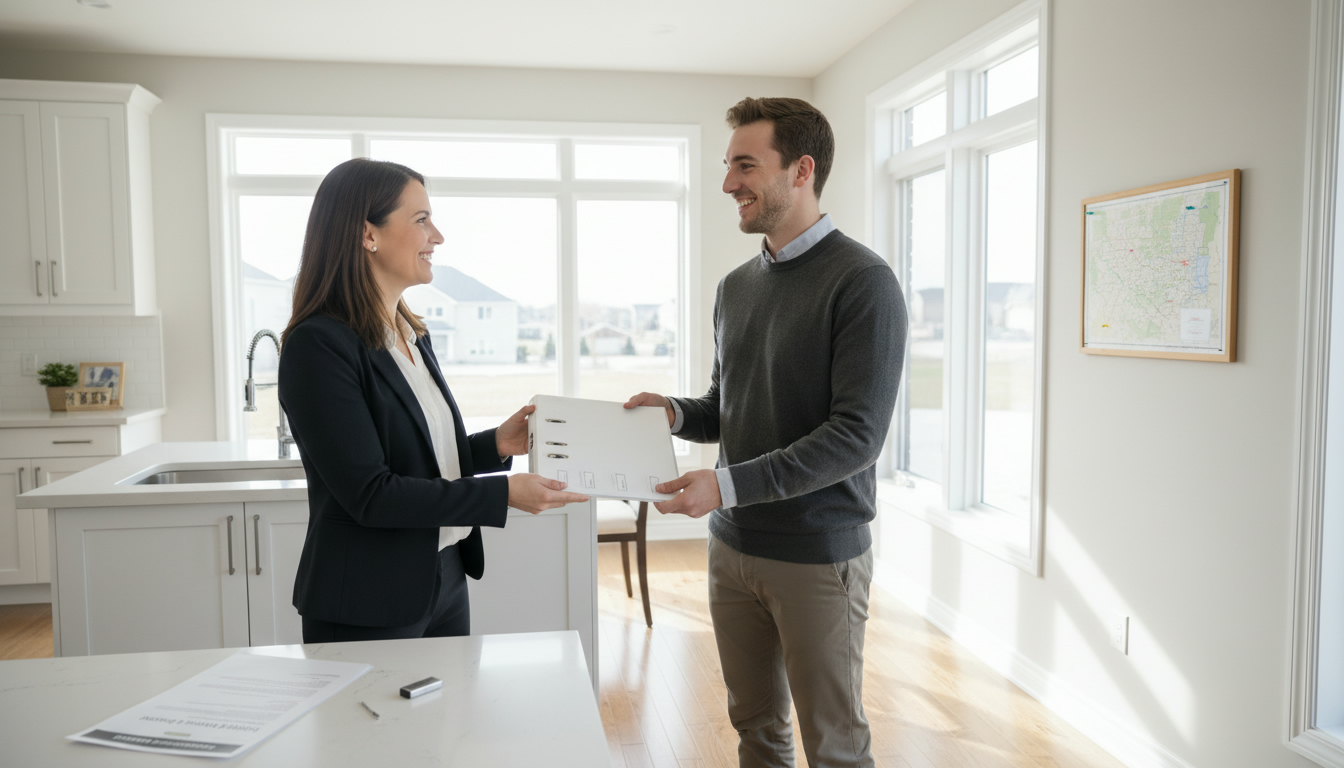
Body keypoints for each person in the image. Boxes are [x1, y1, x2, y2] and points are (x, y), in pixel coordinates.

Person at [625, 98, 907, 768]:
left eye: (745, 166)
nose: (728, 183)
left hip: (817, 555)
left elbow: (855, 437)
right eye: (728, 166)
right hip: (732, 548)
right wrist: (674, 412)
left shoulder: (864, 282)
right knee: (755, 730)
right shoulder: (735, 287)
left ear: (802, 170)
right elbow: (728, 405)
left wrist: (725, 486)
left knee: (835, 747)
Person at [278, 158, 588, 643]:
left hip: (443, 575)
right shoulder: (318, 346)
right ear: (368, 234)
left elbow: (418, 459)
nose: (437, 237)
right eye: (421, 220)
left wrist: (495, 445)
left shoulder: (410, 333)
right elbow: (372, 494)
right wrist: (503, 494)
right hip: (367, 598)